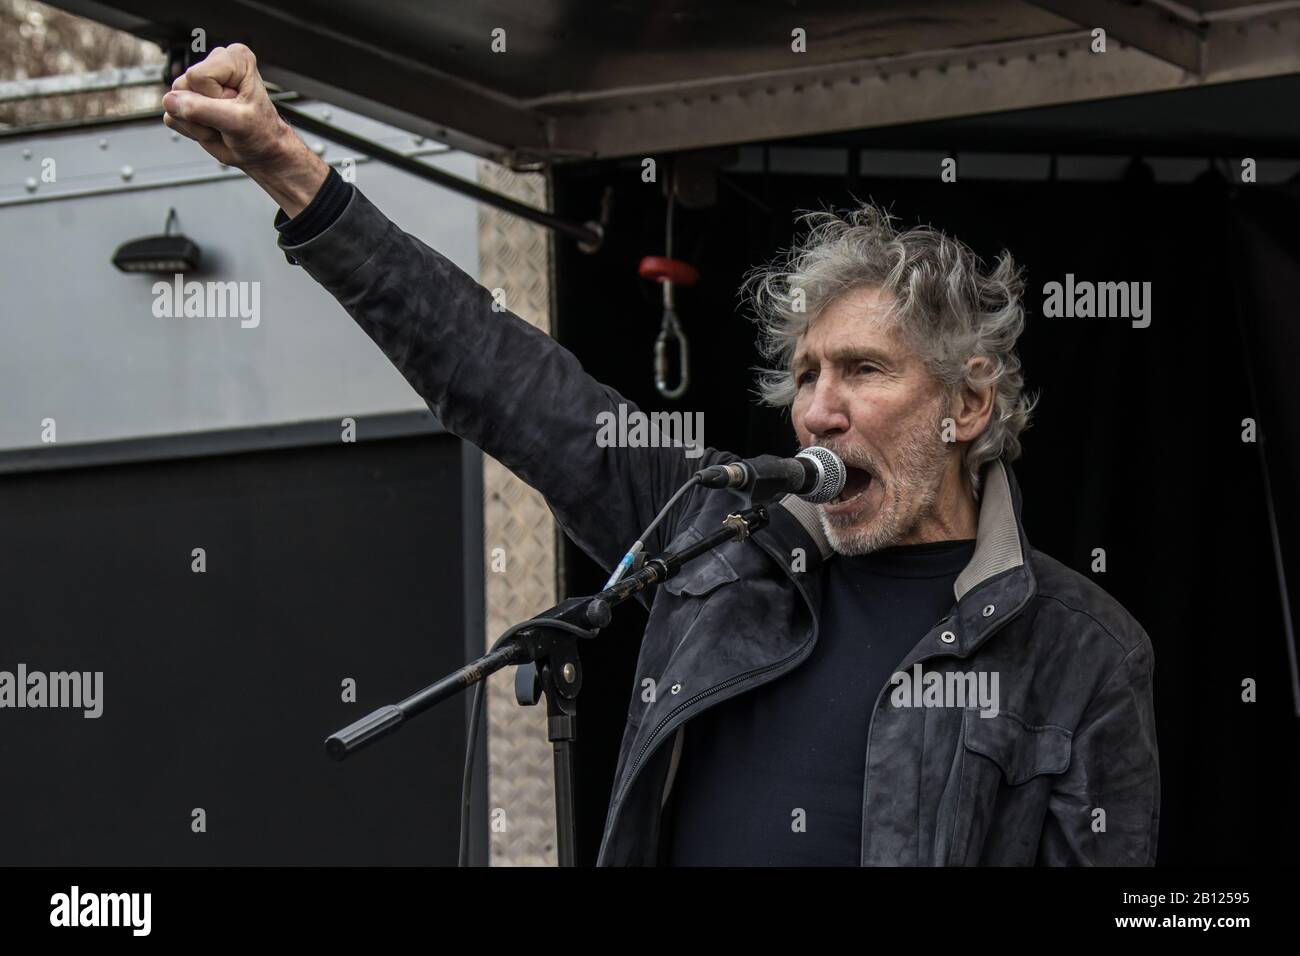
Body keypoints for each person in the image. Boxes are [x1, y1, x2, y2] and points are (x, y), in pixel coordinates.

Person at [162, 44, 1160, 866]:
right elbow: (497, 377)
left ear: (967, 403)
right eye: (806, 375)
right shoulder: (719, 531)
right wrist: (290, 169)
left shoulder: (1078, 647)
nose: (818, 410)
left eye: (862, 370)